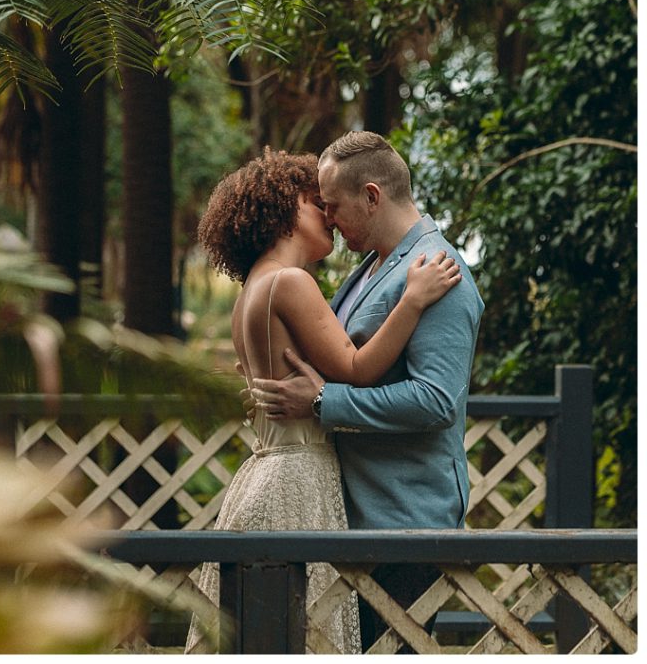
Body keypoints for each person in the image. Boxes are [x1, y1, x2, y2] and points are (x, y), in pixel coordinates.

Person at [185, 147, 461, 654]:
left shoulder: (253, 290)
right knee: (310, 638)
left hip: (265, 475)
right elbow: (356, 368)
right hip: (298, 480)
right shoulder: (290, 282)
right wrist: (413, 299)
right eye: (318, 204)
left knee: (273, 636)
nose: (329, 219)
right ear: (284, 209)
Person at [250, 131, 485, 652]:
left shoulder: (437, 272)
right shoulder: (371, 267)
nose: (327, 218)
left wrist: (321, 402)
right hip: (353, 518)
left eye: (332, 206)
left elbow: (436, 400)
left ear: (372, 196)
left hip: (403, 524)